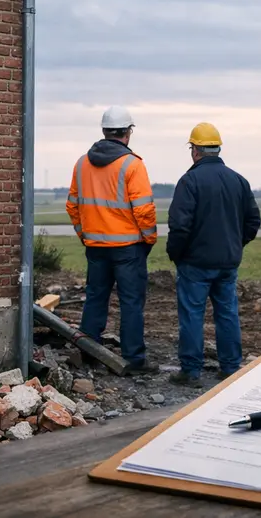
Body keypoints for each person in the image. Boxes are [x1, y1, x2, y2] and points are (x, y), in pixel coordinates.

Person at [66, 105, 159, 373]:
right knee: (131, 303)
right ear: (128, 133)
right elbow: (144, 210)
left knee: (95, 298)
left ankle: (89, 353)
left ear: (105, 131)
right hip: (128, 248)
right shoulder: (132, 164)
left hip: (95, 247)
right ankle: (133, 359)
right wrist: (149, 239)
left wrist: (85, 235)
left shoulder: (82, 162)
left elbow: (73, 205)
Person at [166, 122, 261, 386]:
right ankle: (231, 368)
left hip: (195, 264)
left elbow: (180, 225)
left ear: (195, 150)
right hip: (227, 262)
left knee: (192, 316)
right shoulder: (238, 181)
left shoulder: (189, 181)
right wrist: (235, 244)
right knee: (227, 313)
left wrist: (176, 253)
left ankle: (191, 371)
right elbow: (253, 221)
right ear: (218, 149)